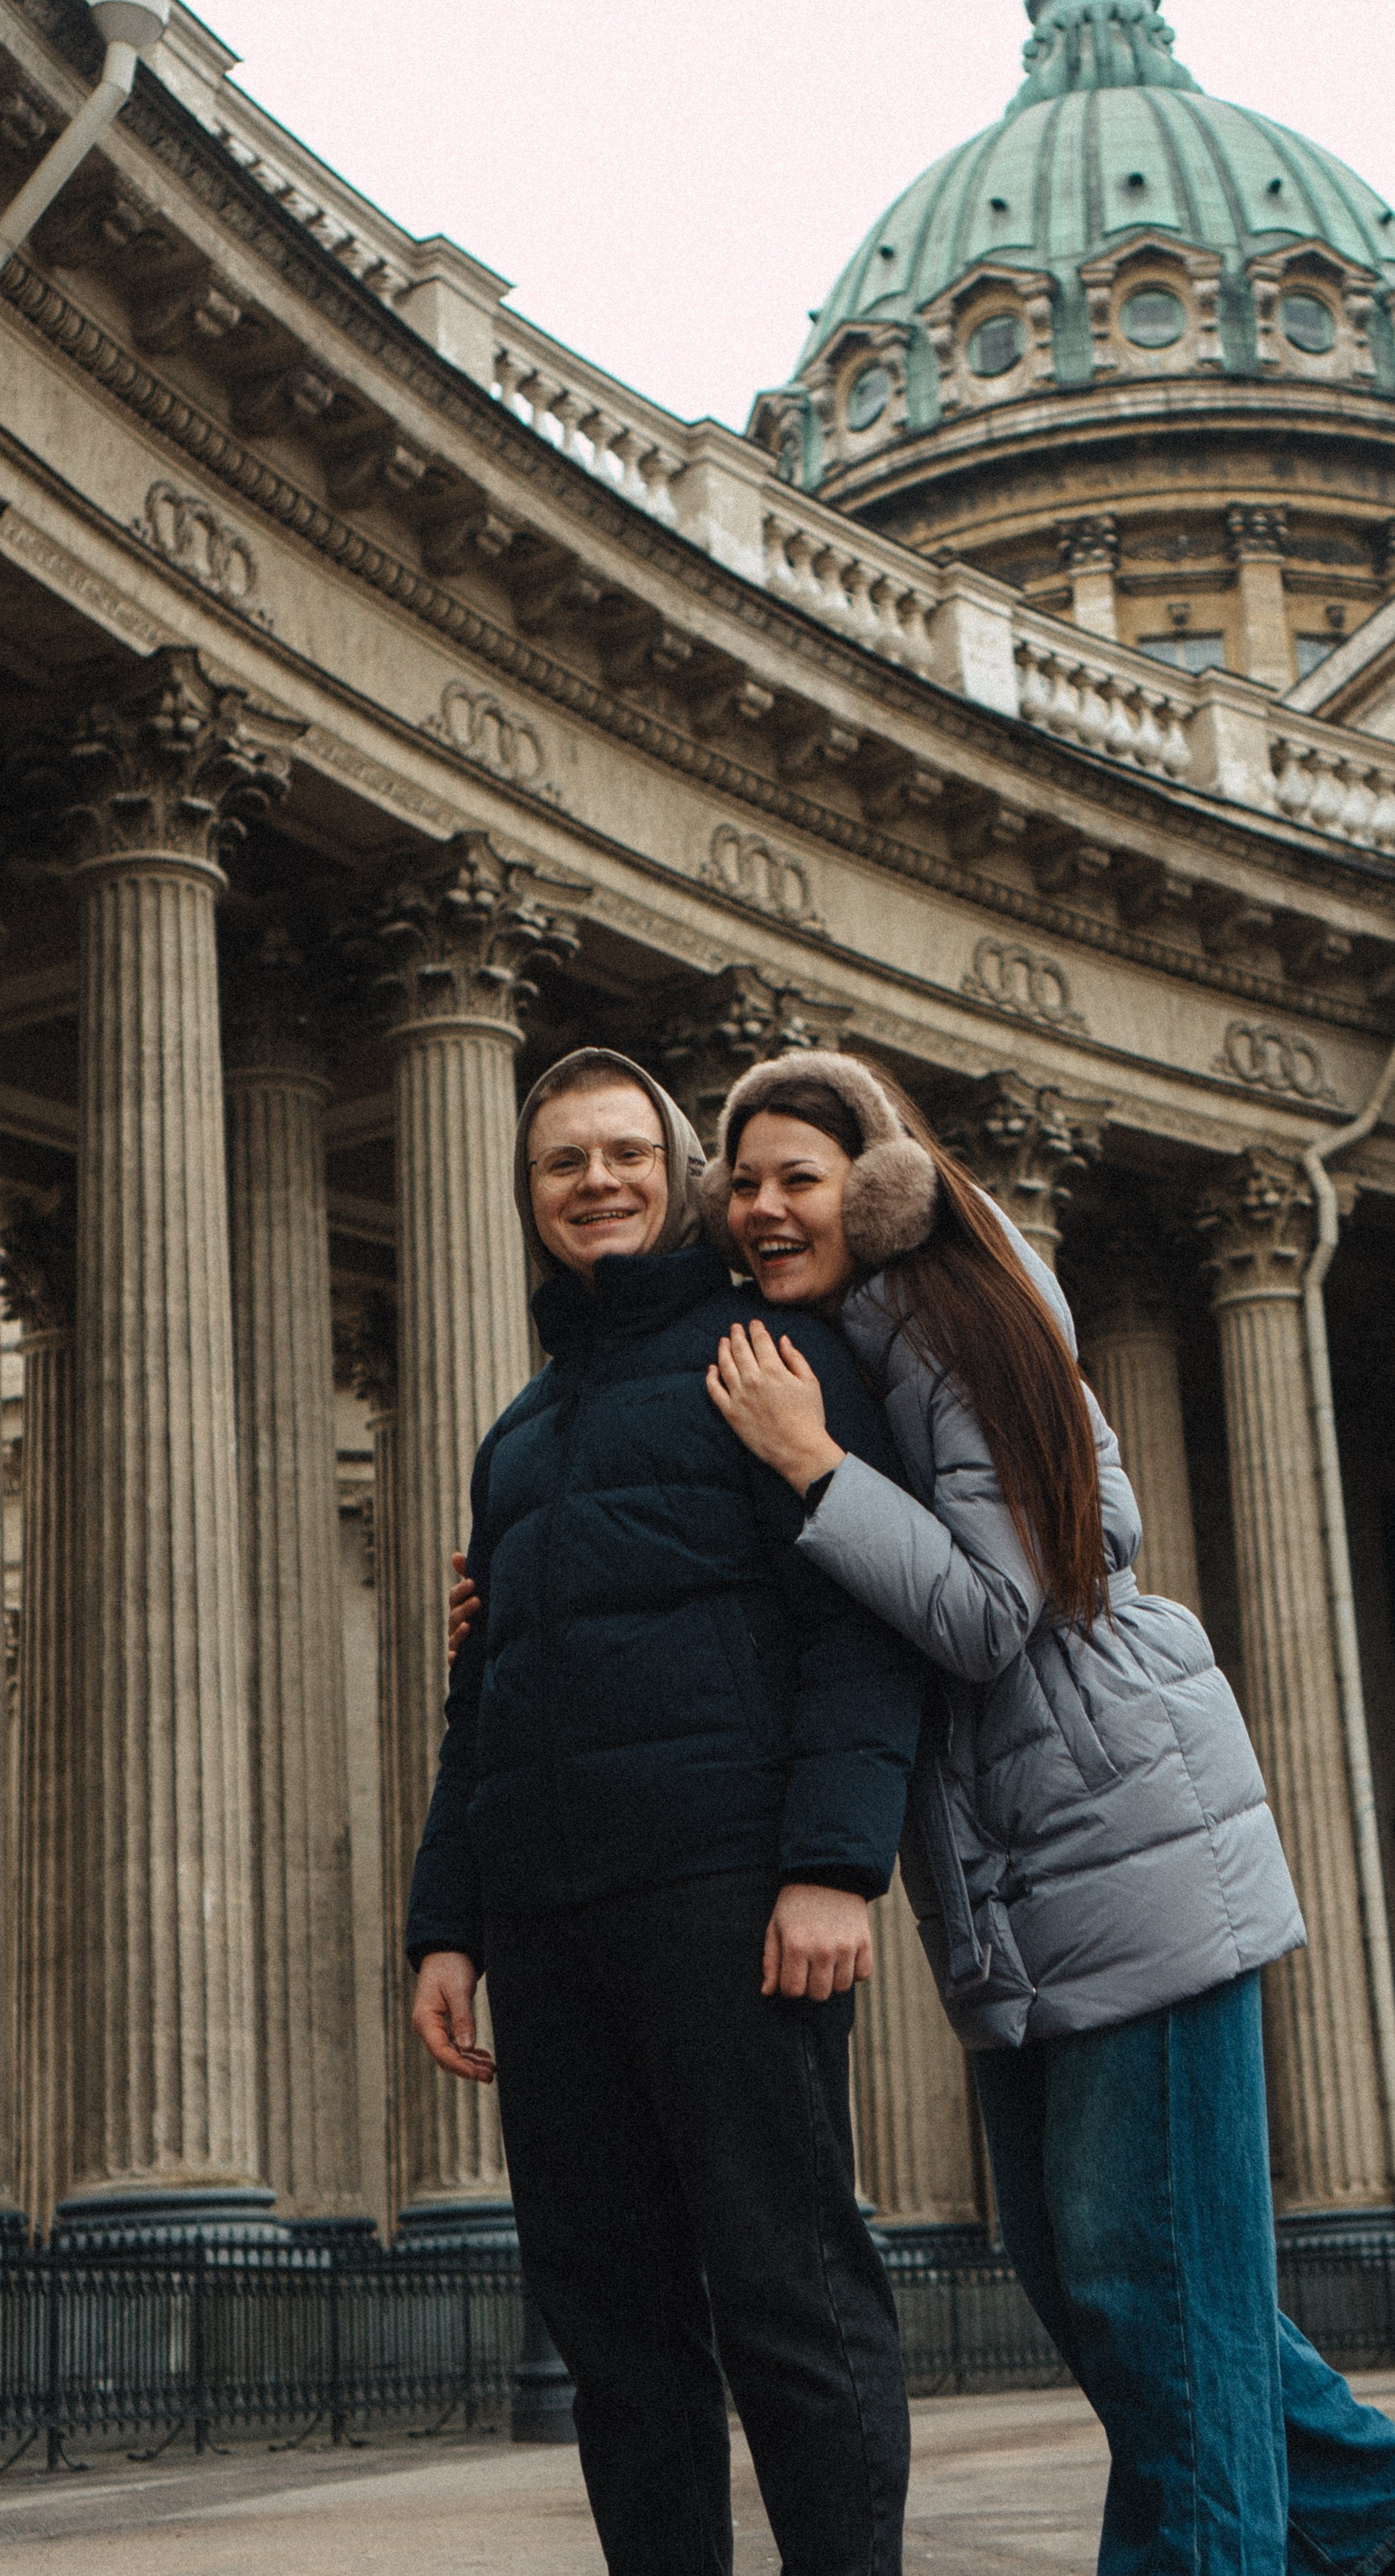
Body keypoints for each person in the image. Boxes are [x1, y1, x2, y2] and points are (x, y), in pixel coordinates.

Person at [687, 1051, 1395, 2576]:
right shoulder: (855, 1351)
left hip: (1122, 1843)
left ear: (875, 1188)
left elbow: (988, 1615)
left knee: (1149, 2290)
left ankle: (1350, 2530)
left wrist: (810, 1469)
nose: (758, 1207)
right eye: (738, 1182)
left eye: (794, 1177)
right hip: (1024, 1871)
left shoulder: (950, 1325)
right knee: (1097, 2283)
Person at [408, 1046, 928, 2576]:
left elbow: (857, 1620)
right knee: (610, 2324)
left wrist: (833, 1868)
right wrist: (450, 1922)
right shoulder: (517, 1433)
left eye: (626, 1152)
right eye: (563, 1162)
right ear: (528, 1197)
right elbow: (482, 1697)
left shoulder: (768, 1357)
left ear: (681, 1173)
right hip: (549, 1917)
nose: (597, 1182)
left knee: (788, 2293)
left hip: (722, 1895)